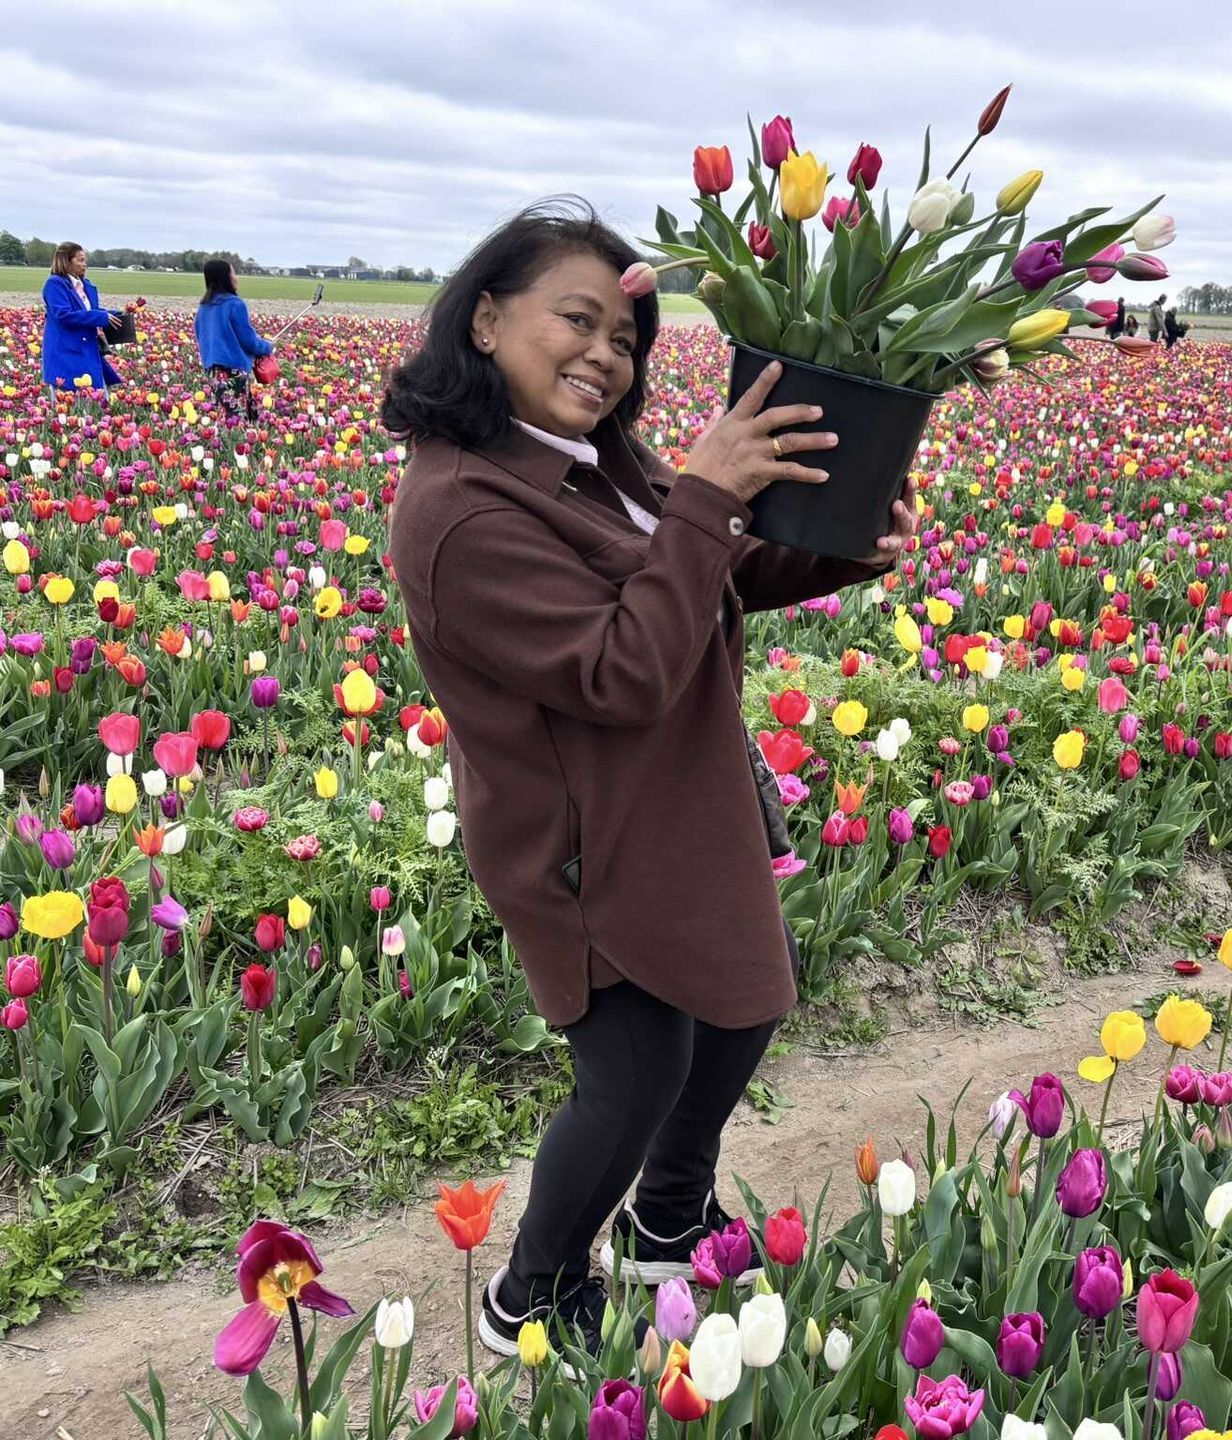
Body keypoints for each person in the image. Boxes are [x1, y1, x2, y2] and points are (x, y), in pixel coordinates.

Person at [383, 201, 911, 1358]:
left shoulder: (588, 459)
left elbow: (692, 583)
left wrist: (836, 546)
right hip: (582, 836)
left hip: (676, 798)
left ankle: (667, 1218)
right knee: (632, 1072)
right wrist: (712, 497)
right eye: (576, 320)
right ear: (483, 319)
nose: (604, 356)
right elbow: (622, 668)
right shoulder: (460, 511)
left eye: (624, 340)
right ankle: (534, 1287)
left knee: (743, 1001)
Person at [194, 259, 275, 422]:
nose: (236, 277)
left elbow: (200, 335)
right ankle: (234, 446)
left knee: (225, 414)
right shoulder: (234, 304)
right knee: (236, 418)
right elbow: (248, 340)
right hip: (233, 370)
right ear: (225, 277)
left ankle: (225, 445)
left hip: (212, 370)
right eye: (233, 273)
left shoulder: (204, 307)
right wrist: (267, 347)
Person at [40, 242, 126, 392]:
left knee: (95, 401)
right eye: (80, 260)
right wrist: (100, 316)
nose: (85, 264)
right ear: (66, 262)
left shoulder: (83, 285)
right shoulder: (55, 284)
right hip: (67, 353)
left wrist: (118, 314)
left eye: (84, 260)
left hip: (86, 350)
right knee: (72, 404)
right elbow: (64, 315)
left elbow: (90, 311)